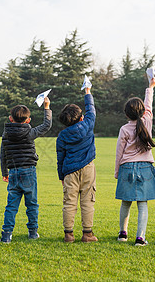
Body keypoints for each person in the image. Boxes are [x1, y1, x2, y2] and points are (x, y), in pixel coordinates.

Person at [114, 77, 155, 246]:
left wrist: (116, 172)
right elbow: (149, 104)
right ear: (142, 112)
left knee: (125, 202)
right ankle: (140, 238)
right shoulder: (147, 122)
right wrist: (150, 87)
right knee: (142, 204)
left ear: (127, 114)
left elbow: (119, 152)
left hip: (126, 167)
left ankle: (122, 234)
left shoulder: (124, 129)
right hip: (145, 168)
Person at [0, 97, 52, 244]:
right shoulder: (30, 133)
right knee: (32, 204)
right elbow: (46, 125)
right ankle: (33, 232)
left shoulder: (5, 134)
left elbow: (3, 154)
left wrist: (5, 172)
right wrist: (46, 107)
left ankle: (7, 235)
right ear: (28, 120)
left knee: (11, 205)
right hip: (29, 171)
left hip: (13, 172)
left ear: (10, 119)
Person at [56, 86, 97, 243]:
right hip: (88, 168)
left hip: (69, 171)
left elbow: (60, 157)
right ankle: (87, 234)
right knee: (88, 201)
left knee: (69, 202)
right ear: (81, 118)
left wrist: (61, 175)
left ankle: (69, 235)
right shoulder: (87, 124)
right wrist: (87, 93)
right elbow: (91, 110)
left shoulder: (62, 136)